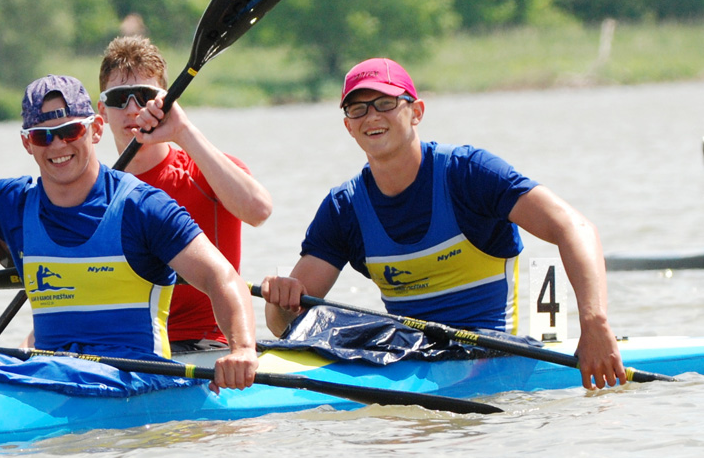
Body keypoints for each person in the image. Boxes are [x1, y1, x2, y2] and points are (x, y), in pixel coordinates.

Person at [257, 57, 627, 389]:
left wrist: (594, 323)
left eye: (385, 104)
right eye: (358, 109)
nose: (371, 117)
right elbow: (286, 326)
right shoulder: (344, 208)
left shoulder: (470, 174)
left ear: (416, 111)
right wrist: (281, 300)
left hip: (491, 355)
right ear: (348, 126)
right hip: (408, 355)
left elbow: (575, 227)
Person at [0, 74, 257, 390]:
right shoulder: (12, 204)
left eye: (70, 131)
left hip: (135, 382)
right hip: (52, 376)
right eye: (43, 136)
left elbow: (221, 277)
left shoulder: (143, 207)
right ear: (27, 143)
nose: (57, 145)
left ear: (96, 129)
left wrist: (242, 350)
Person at [97, 35, 272, 350]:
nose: (133, 108)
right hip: (131, 347)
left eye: (144, 95)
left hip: (205, 343)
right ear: (102, 109)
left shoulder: (204, 170)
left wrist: (183, 132)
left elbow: (259, 211)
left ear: (165, 101)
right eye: (119, 97)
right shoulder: (97, 192)